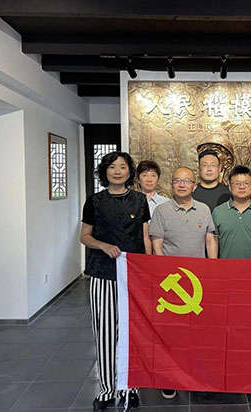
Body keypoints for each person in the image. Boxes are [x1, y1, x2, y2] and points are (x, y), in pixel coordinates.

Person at [80, 152, 152, 411]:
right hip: (103, 273)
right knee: (106, 332)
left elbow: (145, 237)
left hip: (134, 275)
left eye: (123, 167)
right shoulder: (94, 201)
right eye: (112, 167)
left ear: (130, 172)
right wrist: (103, 245)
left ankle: (130, 387)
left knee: (132, 332)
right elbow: (84, 236)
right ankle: (106, 389)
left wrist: (149, 268)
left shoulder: (140, 200)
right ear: (105, 171)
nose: (118, 171)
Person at [149, 167, 217, 400]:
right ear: (172, 184)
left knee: (198, 332)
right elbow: (157, 245)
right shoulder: (162, 211)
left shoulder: (204, 209)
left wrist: (213, 269)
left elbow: (210, 240)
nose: (181, 184)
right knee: (172, 333)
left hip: (199, 281)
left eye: (186, 181)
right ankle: (170, 378)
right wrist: (163, 274)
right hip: (172, 282)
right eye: (177, 180)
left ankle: (196, 375)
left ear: (194, 186)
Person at [212, 165, 251, 259]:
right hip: (226, 266)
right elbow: (214, 241)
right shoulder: (218, 212)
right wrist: (213, 265)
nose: (242, 187)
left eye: (246, 183)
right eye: (237, 183)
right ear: (229, 186)